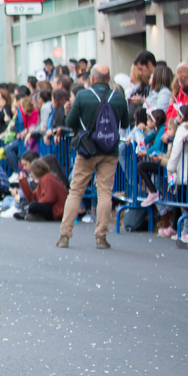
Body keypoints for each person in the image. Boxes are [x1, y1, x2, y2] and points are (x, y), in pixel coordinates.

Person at [57, 64, 131, 249]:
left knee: (76, 191)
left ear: (92, 78)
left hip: (88, 149)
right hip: (110, 149)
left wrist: (68, 111)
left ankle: (65, 235)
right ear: (108, 79)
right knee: (105, 192)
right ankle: (101, 236)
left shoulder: (83, 95)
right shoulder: (119, 97)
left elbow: (70, 122)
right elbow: (126, 122)